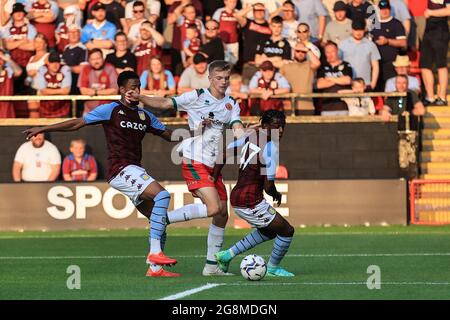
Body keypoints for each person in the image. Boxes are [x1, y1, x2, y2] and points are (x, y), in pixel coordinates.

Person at [23, 70, 179, 277]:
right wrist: (44, 128)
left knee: (158, 221)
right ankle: (155, 254)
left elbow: (171, 136)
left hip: (134, 170)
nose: (136, 90)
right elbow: (78, 123)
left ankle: (155, 269)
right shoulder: (111, 110)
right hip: (120, 169)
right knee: (162, 195)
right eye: (131, 87)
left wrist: (198, 133)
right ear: (122, 89)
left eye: (138, 86)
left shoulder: (145, 116)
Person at [127, 60, 247, 276]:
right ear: (209, 78)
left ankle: (211, 267)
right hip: (194, 159)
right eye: (219, 78)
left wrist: (243, 136)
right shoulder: (197, 96)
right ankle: (163, 220)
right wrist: (141, 98)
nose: (223, 82)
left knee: (222, 215)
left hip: (212, 166)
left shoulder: (231, 104)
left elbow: (237, 126)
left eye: (226, 78)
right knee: (213, 209)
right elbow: (165, 103)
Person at [213, 109, 295, 277]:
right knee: (287, 230)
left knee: (269, 231)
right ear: (264, 126)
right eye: (275, 126)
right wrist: (276, 194)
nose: (280, 131)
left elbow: (224, 152)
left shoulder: (249, 138)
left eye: (282, 127)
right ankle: (272, 268)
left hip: (240, 197)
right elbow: (268, 186)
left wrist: (213, 178)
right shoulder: (271, 147)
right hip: (250, 201)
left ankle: (226, 255)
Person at [381, 74, 425, 178]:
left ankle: (412, 181)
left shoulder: (411, 94)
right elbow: (385, 109)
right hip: (395, 132)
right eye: (399, 83)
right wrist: (385, 113)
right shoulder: (392, 95)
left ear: (407, 84)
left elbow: (421, 110)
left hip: (410, 132)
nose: (401, 85)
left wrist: (410, 112)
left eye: (404, 83)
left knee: (410, 158)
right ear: (395, 84)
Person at [370, 0, 407, 91]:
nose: (384, 11)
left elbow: (403, 42)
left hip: (391, 63)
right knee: (377, 88)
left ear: (390, 9)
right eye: (382, 9)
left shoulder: (396, 23)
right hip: (377, 63)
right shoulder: (374, 24)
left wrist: (387, 41)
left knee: (390, 88)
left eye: (386, 9)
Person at [419, 0, 450, 106]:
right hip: (428, 30)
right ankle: (430, 96)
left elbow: (449, 10)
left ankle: (442, 97)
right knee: (424, 65)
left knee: (441, 64)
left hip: (440, 30)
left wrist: (431, 12)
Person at [235, 3, 272, 85]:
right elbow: (237, 15)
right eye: (257, 10)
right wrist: (251, 7)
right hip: (249, 65)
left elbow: (275, 18)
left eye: (262, 10)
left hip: (265, 67)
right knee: (246, 90)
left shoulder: (270, 25)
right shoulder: (248, 23)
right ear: (253, 11)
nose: (259, 12)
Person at [280, 41, 321, 115]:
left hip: (307, 106)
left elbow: (317, 63)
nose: (300, 53)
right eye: (298, 51)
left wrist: (308, 50)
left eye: (303, 51)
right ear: (294, 52)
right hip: (289, 107)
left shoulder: (309, 65)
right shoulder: (285, 66)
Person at [339, 19, 380, 90]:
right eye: (356, 30)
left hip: (365, 84)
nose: (358, 32)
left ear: (365, 29)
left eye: (360, 30)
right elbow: (338, 63)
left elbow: (375, 66)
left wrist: (372, 84)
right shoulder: (343, 44)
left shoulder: (371, 45)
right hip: (347, 85)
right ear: (352, 30)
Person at [316, 41, 353, 116]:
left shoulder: (346, 65)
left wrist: (329, 78)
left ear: (337, 51)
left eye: (332, 51)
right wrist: (339, 80)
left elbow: (347, 80)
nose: (330, 54)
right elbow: (320, 85)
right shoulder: (322, 67)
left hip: (343, 107)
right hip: (326, 108)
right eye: (327, 52)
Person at [78, 48, 118, 114]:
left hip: (108, 111)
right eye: (93, 59)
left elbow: (114, 91)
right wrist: (105, 92)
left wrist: (95, 92)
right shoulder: (85, 69)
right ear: (89, 60)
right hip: (89, 111)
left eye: (98, 58)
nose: (96, 61)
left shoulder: (110, 68)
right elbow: (83, 90)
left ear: (103, 58)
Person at [34, 51, 72, 118]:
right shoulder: (42, 69)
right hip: (45, 110)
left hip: (62, 110)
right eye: (52, 62)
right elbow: (43, 91)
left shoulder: (65, 69)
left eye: (57, 62)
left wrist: (48, 91)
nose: (55, 65)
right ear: (48, 63)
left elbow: (66, 91)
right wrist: (60, 91)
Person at [0, 49, 22, 118]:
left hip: (6, 109)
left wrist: (7, 59)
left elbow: (18, 72)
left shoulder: (8, 71)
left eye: (1, 58)